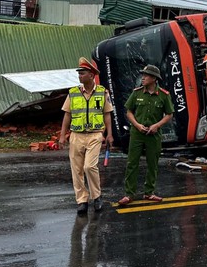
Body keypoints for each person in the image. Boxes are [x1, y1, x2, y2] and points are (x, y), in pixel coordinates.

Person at [59, 57, 114, 214]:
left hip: (95, 135)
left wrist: (109, 134)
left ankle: (96, 197)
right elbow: (67, 115)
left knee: (89, 166)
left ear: (91, 75)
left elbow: (107, 114)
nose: (79, 76)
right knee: (76, 169)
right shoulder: (73, 93)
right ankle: (82, 200)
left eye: (82, 73)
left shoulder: (102, 92)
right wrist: (63, 135)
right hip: (76, 135)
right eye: (79, 73)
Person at [118, 65, 174, 206]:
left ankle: (149, 192)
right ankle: (129, 194)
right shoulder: (137, 93)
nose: (143, 77)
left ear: (154, 78)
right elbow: (129, 111)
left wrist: (157, 125)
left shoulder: (163, 95)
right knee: (132, 163)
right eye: (142, 75)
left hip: (153, 134)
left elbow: (169, 114)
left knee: (152, 164)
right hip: (137, 133)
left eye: (146, 75)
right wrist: (137, 125)